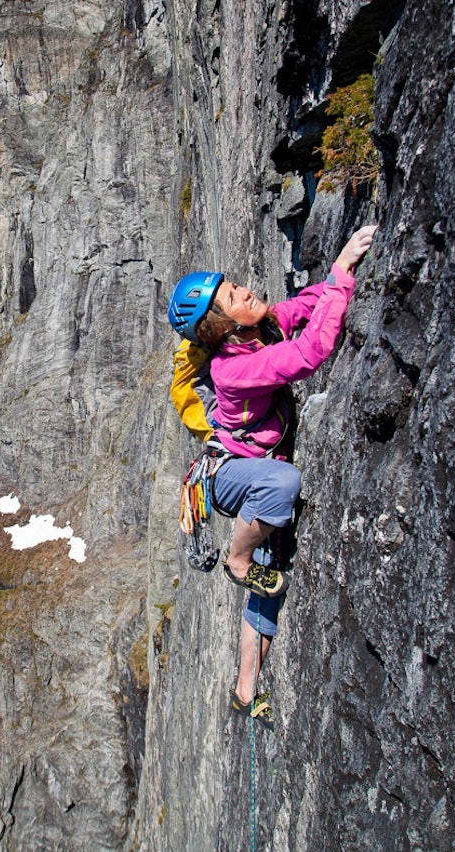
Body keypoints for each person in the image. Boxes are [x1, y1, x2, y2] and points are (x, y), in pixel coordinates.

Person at [166, 224, 377, 728]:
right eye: (231, 295)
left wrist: (329, 283)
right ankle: (237, 559)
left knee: (270, 590)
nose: (244, 289)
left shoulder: (257, 330)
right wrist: (344, 272)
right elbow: (308, 354)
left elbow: (300, 308)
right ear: (219, 326)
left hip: (254, 469)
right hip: (232, 477)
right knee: (283, 486)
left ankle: (244, 691)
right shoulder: (231, 370)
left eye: (233, 284)